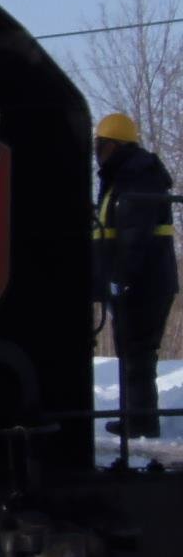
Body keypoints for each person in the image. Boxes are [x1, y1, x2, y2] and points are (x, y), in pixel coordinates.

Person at [92, 112, 178, 437]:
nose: (98, 153)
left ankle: (140, 421)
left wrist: (121, 276)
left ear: (117, 146)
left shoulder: (137, 178)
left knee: (138, 351)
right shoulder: (122, 178)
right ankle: (139, 419)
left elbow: (133, 234)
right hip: (137, 281)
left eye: (102, 146)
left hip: (145, 283)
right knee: (133, 351)